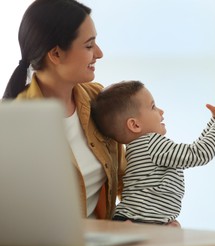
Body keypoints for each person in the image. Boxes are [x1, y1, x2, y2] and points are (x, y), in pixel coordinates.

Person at [3, 0, 125, 219]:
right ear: (56, 54)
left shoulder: (99, 99)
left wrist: (156, 219)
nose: (99, 53)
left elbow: (126, 178)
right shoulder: (14, 123)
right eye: (89, 45)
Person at [91, 80, 215, 226]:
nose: (161, 111)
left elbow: (194, 151)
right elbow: (199, 153)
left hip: (139, 221)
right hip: (139, 223)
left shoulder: (139, 147)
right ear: (135, 125)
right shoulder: (151, 143)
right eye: (153, 107)